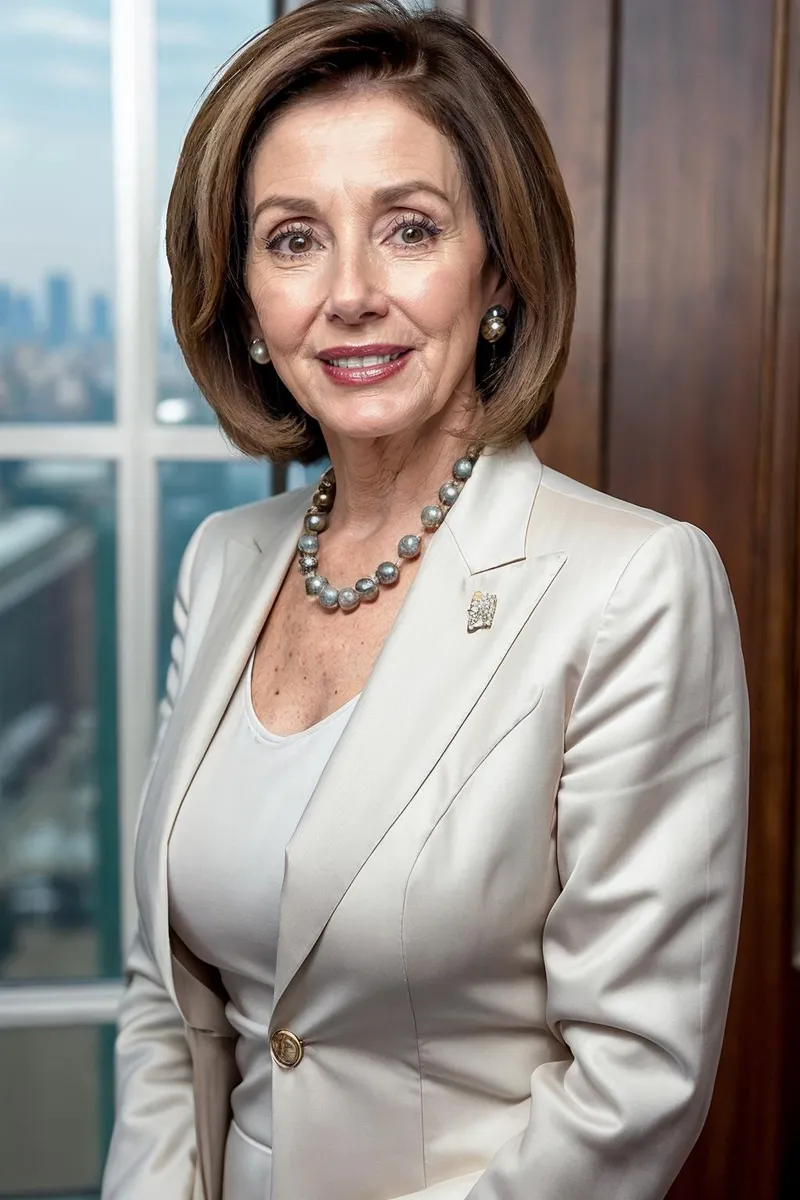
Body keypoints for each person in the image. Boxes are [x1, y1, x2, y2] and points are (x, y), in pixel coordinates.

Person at [101, 2, 749, 1198]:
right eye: (292, 239)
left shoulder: (635, 587)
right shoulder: (221, 563)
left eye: (408, 228)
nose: (349, 293)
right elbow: (165, 997)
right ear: (244, 298)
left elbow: (631, 1081)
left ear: (495, 265)